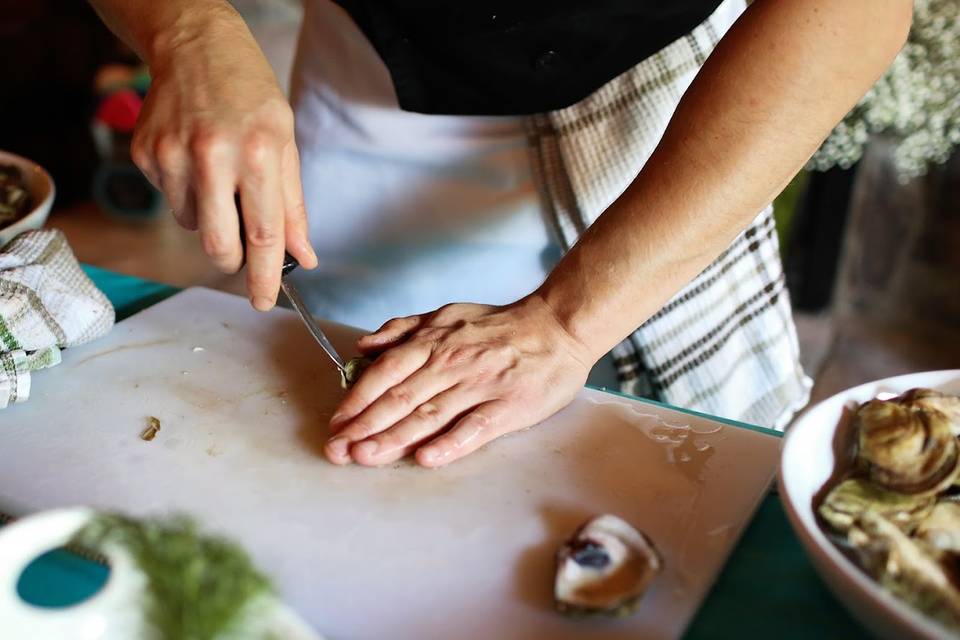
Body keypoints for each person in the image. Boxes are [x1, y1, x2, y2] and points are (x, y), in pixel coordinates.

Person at [89, 0, 912, 467]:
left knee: (671, 476)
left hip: (673, 127)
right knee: (326, 429)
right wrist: (188, 28)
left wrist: (565, 323)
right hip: (368, 87)